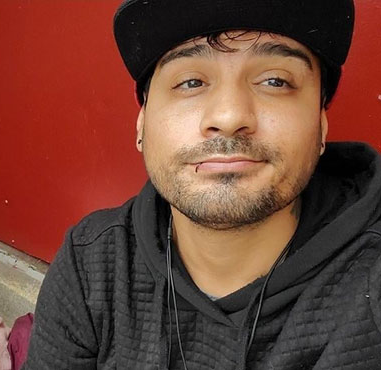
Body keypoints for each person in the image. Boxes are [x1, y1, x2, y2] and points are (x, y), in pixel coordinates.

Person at [24, 0, 381, 369]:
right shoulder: (93, 265)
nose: (228, 117)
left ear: (321, 126)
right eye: (191, 82)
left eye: (275, 81)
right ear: (141, 124)